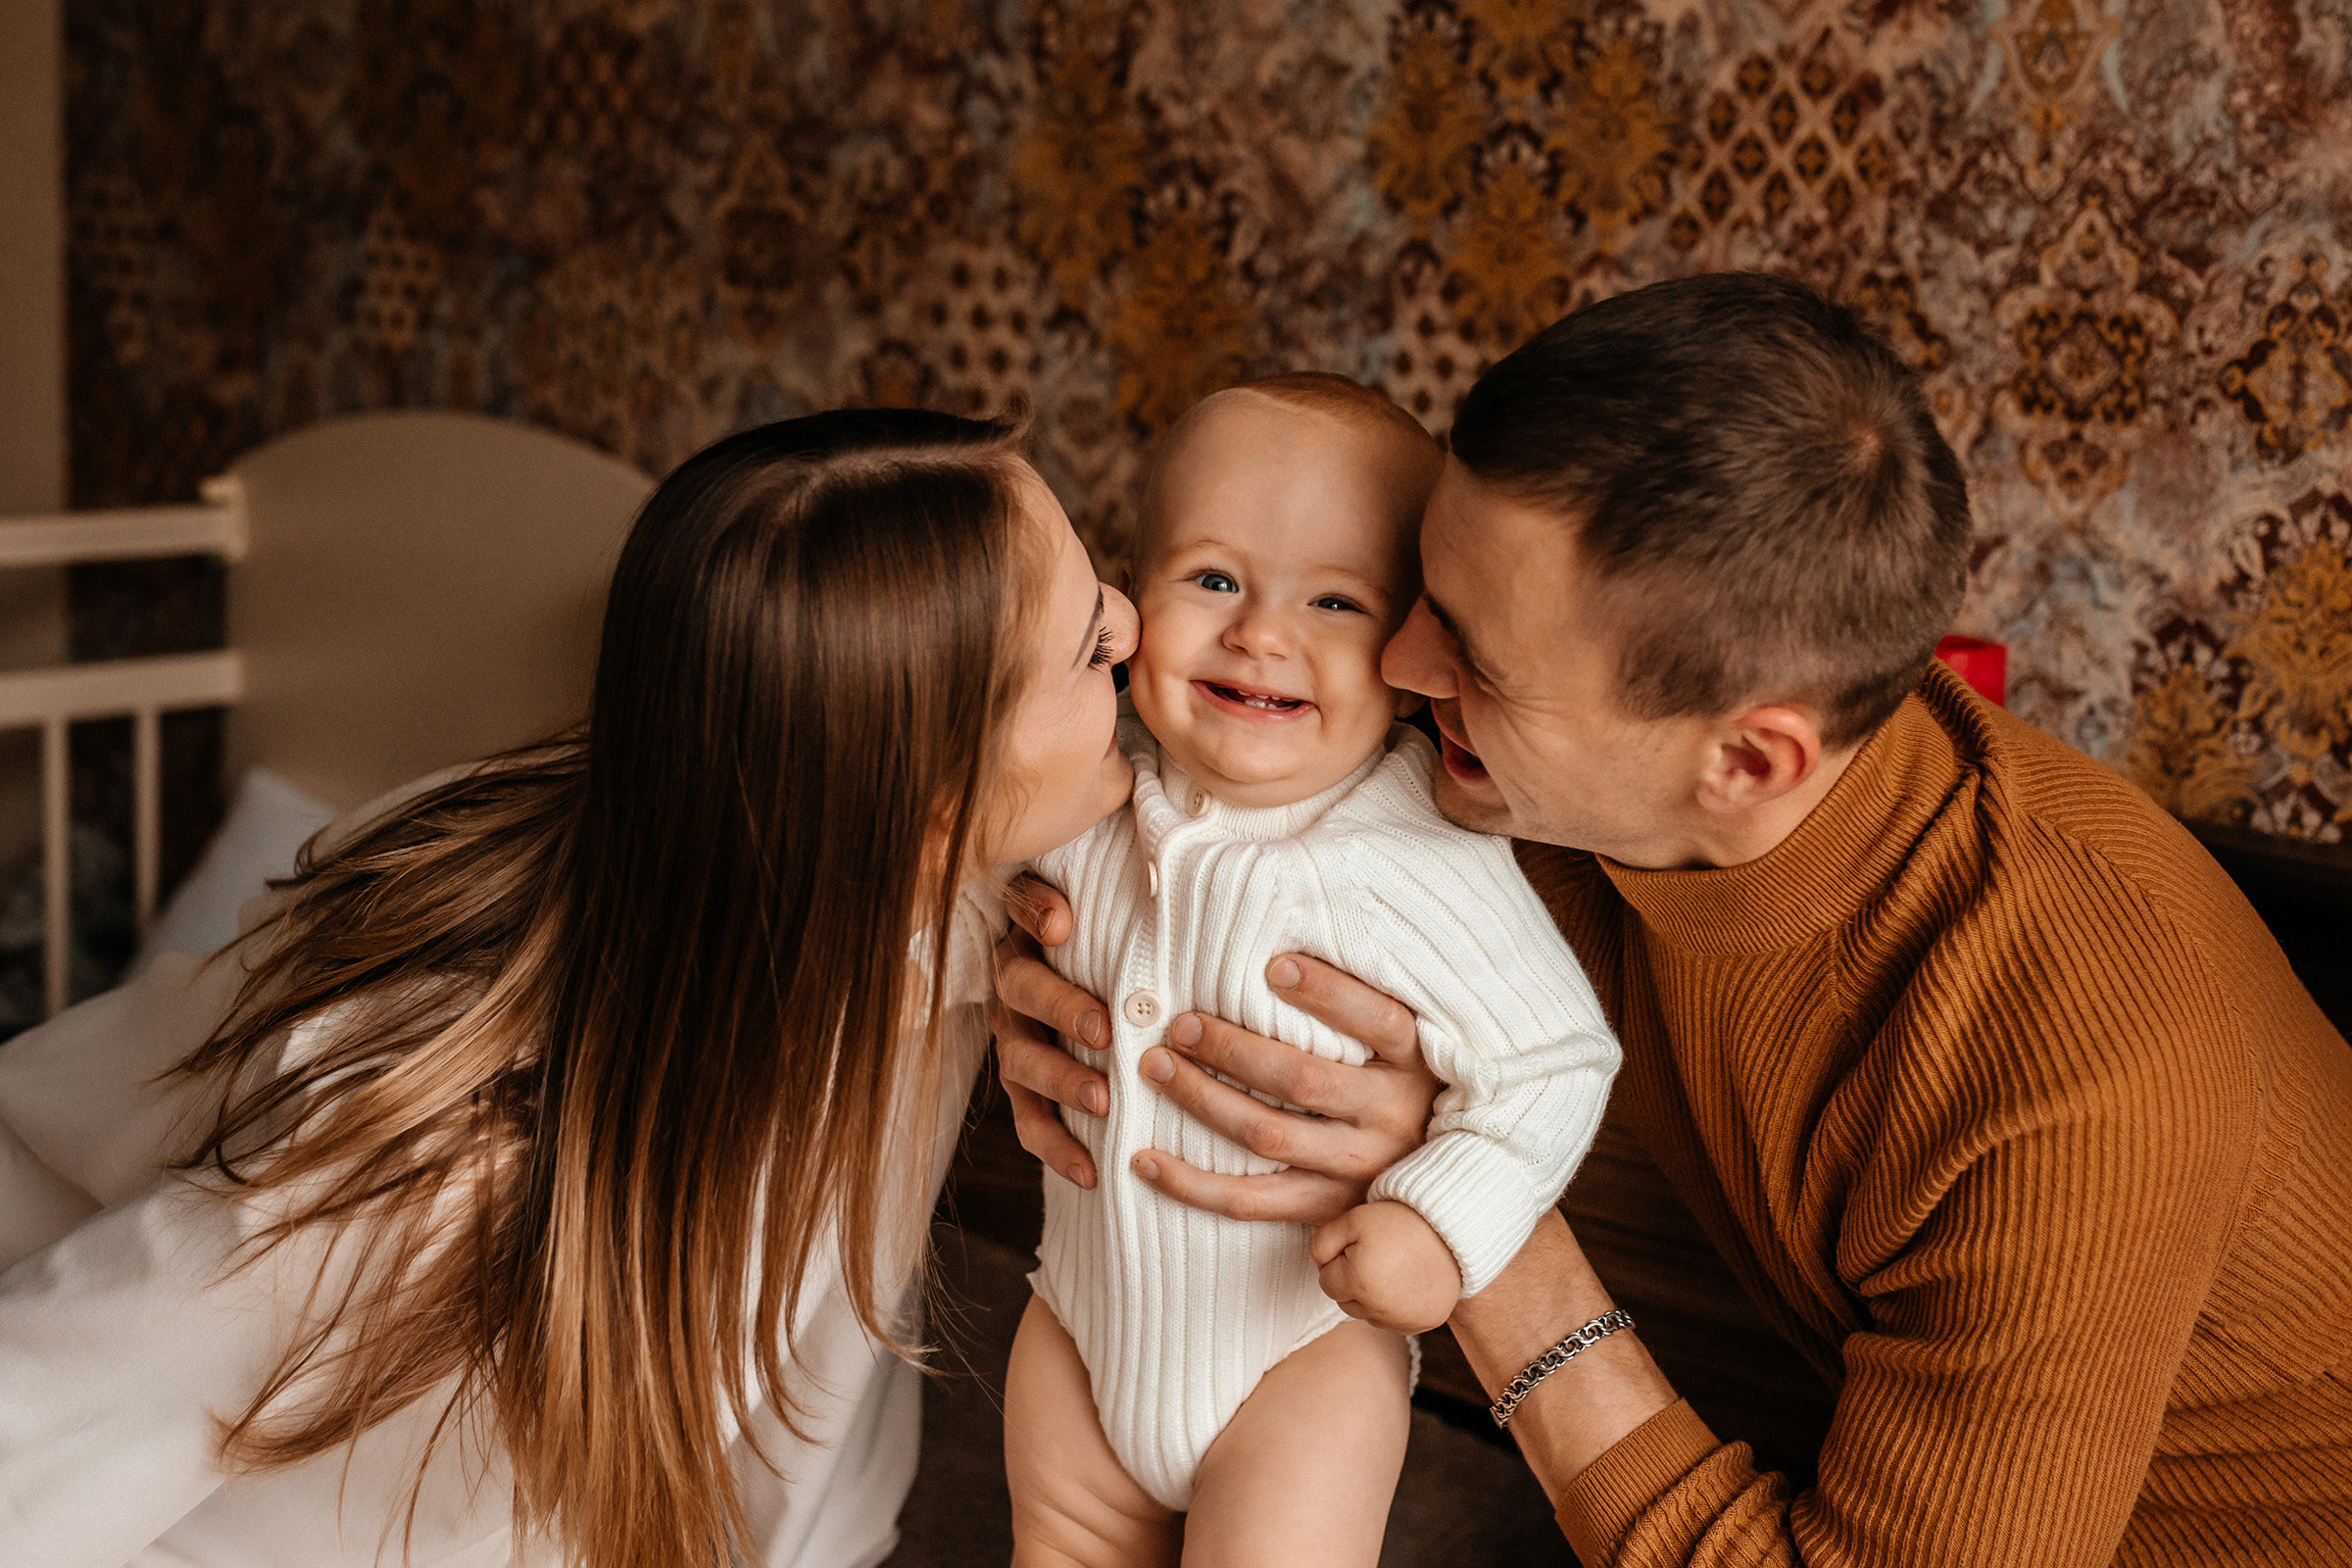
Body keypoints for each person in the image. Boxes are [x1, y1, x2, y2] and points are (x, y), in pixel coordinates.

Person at [995, 273, 2352, 1565]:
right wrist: (1056, 975)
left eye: (1471, 653)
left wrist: (1464, 1205)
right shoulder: (1527, 778)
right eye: (1419, 594)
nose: (1401, 666)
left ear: (1748, 762)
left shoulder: (2082, 1064)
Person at [0, 409, 1144, 1568]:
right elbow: (29, 1432)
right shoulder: (433, 1166)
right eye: (1091, 647)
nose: (1136, 629)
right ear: (934, 808)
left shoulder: (887, 896)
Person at [1002, 375, 1619, 1566]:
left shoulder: (1414, 850)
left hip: (1301, 1353)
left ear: (1409, 648)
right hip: (1081, 1323)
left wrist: (1441, 1224)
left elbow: (1554, 1060)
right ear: (1130, 594)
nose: (1261, 634)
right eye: (1213, 579)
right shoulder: (1087, 775)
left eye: (1335, 600)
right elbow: (961, 875)